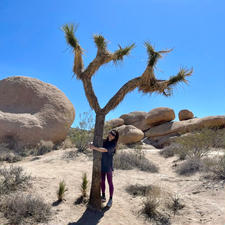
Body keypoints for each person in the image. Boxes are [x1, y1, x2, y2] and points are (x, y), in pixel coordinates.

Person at [89, 129, 119, 208]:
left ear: (115, 137)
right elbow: (96, 143)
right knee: (102, 181)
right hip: (101, 164)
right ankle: (103, 196)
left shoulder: (113, 144)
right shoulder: (105, 141)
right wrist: (91, 144)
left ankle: (111, 199)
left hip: (108, 166)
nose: (111, 135)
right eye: (110, 133)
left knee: (110, 182)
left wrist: (94, 147)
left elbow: (104, 150)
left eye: (113, 134)